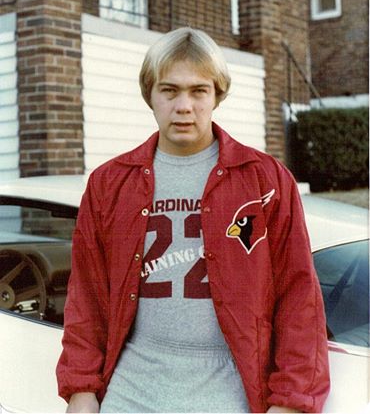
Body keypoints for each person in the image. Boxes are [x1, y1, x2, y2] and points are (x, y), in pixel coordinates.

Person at [56, 27, 330, 413]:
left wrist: (291, 401)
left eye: (199, 90)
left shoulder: (264, 179)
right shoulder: (109, 183)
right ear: (149, 94)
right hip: (131, 390)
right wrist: (81, 390)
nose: (184, 106)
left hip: (229, 390)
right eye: (169, 90)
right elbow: (86, 294)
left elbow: (299, 297)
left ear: (217, 94)